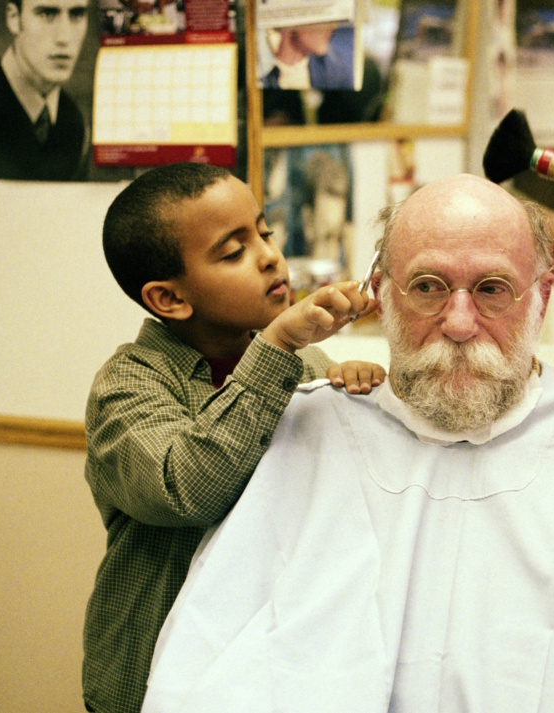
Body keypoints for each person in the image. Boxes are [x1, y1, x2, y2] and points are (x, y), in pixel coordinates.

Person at [140, 173, 554, 713]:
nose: (459, 322)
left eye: (493, 289)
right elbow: (207, 653)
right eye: (428, 287)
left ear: (541, 298)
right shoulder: (310, 431)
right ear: (383, 295)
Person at [83, 162, 386, 713]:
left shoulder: (305, 363)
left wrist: (355, 385)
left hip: (262, 670)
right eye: (232, 251)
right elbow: (187, 489)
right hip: (151, 682)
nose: (270, 255)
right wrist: (274, 348)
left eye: (264, 232)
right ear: (169, 299)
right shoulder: (126, 385)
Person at [0, 0, 89, 181]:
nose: (64, 38)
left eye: (76, 15)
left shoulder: (74, 123)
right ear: (14, 18)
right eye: (47, 14)